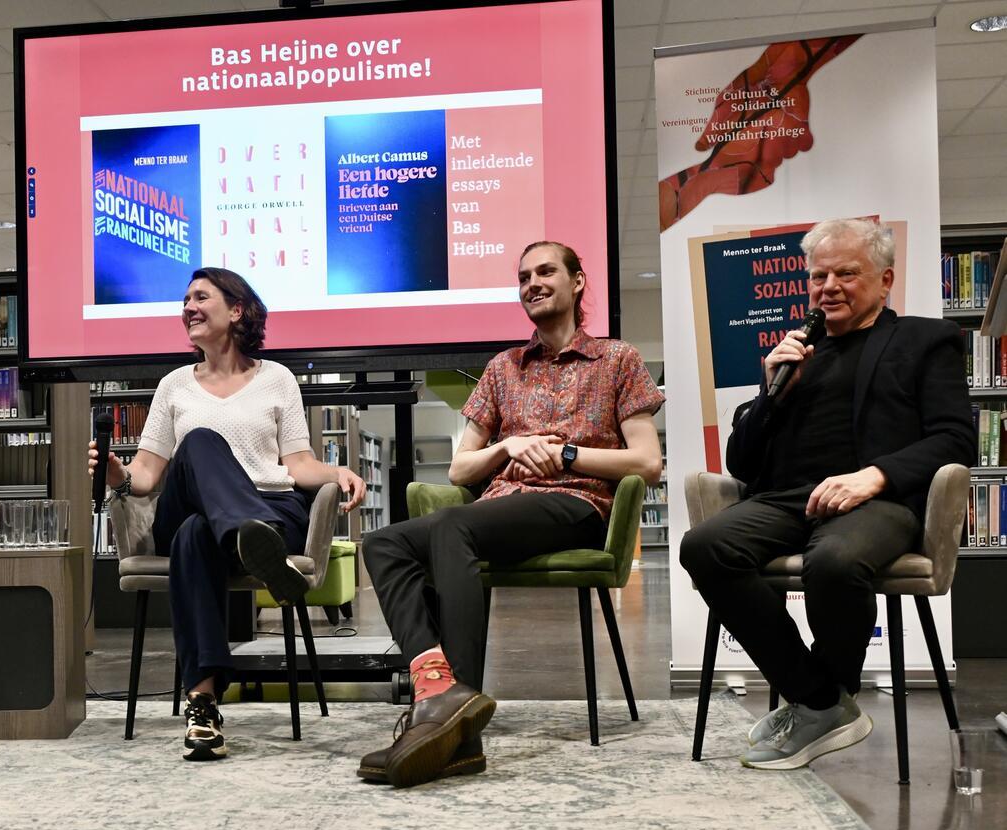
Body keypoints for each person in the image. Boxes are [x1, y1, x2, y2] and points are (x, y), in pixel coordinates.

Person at [359, 242, 665, 788]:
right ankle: (439, 692)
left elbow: (647, 462)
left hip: (576, 503)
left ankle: (455, 732)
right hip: (501, 508)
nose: (532, 282)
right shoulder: (503, 368)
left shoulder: (618, 359)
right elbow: (459, 470)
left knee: (454, 526)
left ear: (578, 281)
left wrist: (566, 453)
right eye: (524, 276)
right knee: (384, 543)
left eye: (546, 271)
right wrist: (507, 448)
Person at [679, 218, 976, 770]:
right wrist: (771, 392)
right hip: (788, 498)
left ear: (885, 281)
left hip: (879, 501)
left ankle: (821, 699)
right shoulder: (797, 354)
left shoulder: (923, 339)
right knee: (703, 546)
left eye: (846, 273)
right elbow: (741, 463)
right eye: (818, 275)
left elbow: (956, 439)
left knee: (836, 561)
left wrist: (875, 476)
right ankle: (820, 699)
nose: (828, 286)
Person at [88, 267, 365, 761]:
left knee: (196, 536)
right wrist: (115, 474)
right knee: (198, 444)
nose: (188, 307)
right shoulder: (175, 385)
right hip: (203, 509)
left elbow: (297, 465)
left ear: (236, 310)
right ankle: (255, 544)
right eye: (185, 300)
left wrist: (337, 471)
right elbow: (147, 476)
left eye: (201, 297)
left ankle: (203, 701)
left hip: (266, 507)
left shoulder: (277, 379)